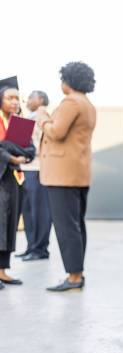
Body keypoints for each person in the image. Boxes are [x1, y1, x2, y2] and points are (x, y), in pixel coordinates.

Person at [38, 62, 96, 292]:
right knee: (76, 225)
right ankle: (77, 273)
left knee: (66, 227)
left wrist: (42, 118)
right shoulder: (88, 104)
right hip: (78, 174)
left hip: (62, 176)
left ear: (69, 80)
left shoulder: (72, 102)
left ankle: (73, 277)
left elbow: (57, 132)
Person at [0, 76, 36, 289]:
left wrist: (9, 150)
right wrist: (11, 155)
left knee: (9, 225)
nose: (15, 102)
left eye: (17, 98)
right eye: (10, 98)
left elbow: (30, 150)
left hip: (13, 180)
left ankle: (2, 271)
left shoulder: (20, 124)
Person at [18, 90, 52, 261]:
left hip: (37, 169)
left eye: (31, 97)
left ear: (40, 100)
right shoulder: (29, 116)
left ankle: (40, 249)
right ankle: (31, 247)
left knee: (39, 211)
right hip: (26, 169)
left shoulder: (42, 114)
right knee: (28, 211)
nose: (27, 99)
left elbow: (35, 142)